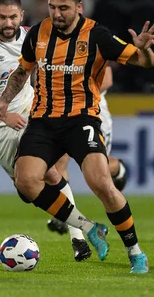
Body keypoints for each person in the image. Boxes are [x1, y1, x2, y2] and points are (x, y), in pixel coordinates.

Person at [0, 0, 154, 274]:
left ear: (79, 7)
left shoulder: (97, 35)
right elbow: (21, 72)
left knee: (102, 184)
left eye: (64, 8)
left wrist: (143, 48)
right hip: (43, 121)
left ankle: (135, 252)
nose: (56, 13)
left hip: (81, 120)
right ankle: (90, 228)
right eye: (52, 6)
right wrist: (3, 101)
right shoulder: (38, 33)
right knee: (26, 182)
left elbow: (147, 64)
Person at [0, 0, 104, 262]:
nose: (8, 22)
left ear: (21, 16)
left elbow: (36, 70)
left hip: (31, 112)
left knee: (50, 171)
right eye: (2, 17)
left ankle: (80, 236)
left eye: (13, 16)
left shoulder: (31, 37)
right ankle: (69, 220)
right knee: (27, 188)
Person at [46, 65, 129, 232]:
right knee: (58, 163)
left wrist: (76, 92)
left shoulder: (89, 41)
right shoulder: (52, 45)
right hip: (62, 111)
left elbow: (107, 78)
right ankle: (64, 215)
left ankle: (117, 168)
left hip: (93, 113)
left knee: (98, 169)